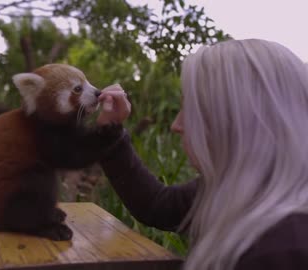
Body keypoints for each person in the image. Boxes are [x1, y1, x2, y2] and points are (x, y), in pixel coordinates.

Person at [95, 39, 308, 270]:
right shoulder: (236, 188)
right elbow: (157, 205)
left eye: (192, 108)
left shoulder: (283, 252)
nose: (176, 125)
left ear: (237, 120)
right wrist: (110, 133)